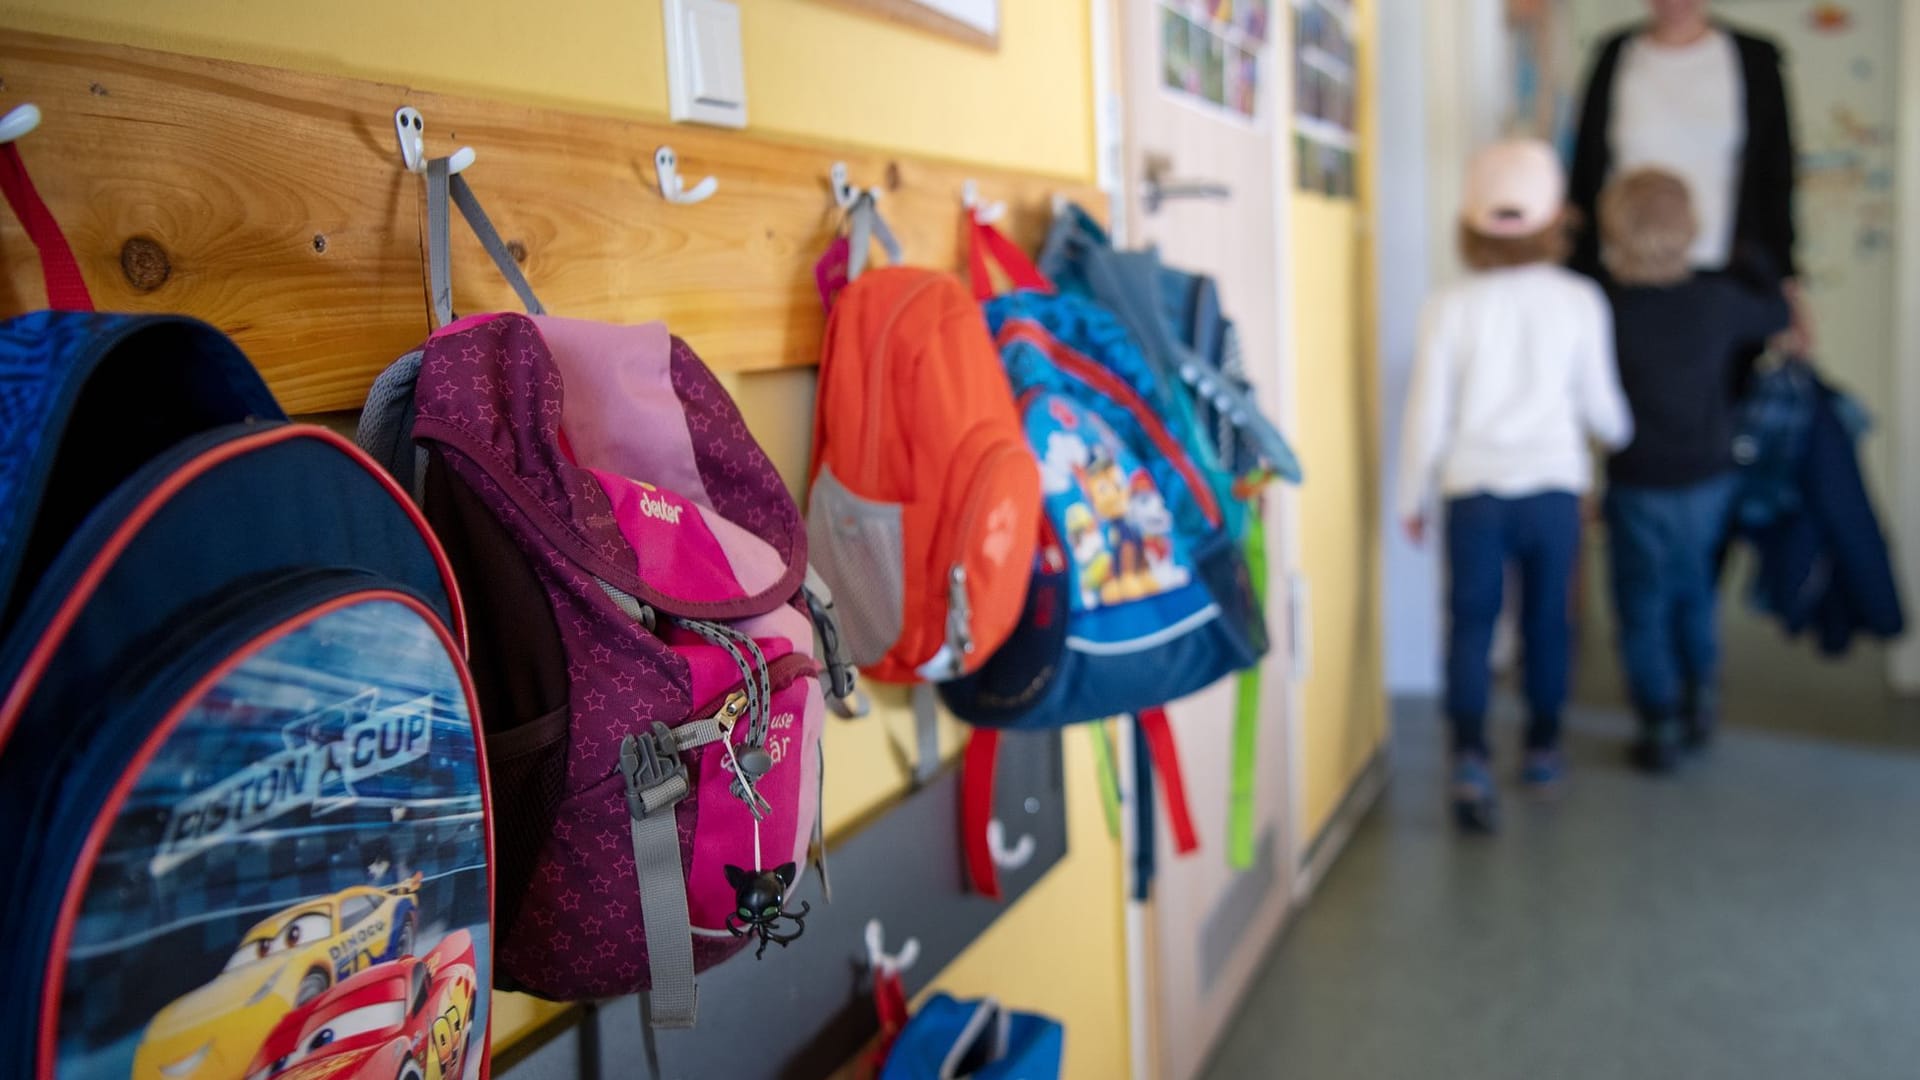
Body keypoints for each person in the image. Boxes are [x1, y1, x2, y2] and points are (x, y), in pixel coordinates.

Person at [1398, 139, 1634, 832]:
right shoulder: (1581, 301)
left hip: (1473, 491)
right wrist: (1622, 436)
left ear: (1468, 223)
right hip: (1555, 492)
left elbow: (1427, 411)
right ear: (1557, 220)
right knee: (1546, 625)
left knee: (1470, 624)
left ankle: (1469, 756)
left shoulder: (1449, 305)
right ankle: (1541, 749)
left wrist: (1411, 496)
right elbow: (1605, 412)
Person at [1597, 169, 1790, 773]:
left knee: (1641, 599)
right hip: (1708, 476)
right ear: (1690, 228)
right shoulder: (1716, 300)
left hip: (1637, 479)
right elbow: (1776, 313)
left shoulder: (1608, 307)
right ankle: (1700, 699)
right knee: (1695, 592)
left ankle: (1658, 722)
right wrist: (1753, 260)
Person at [1567, 0, 1809, 352]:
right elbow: (1585, 171)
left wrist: (1787, 284)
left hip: (1724, 274)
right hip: (1623, 275)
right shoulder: (1615, 54)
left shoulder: (1755, 58)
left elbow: (1775, 177)